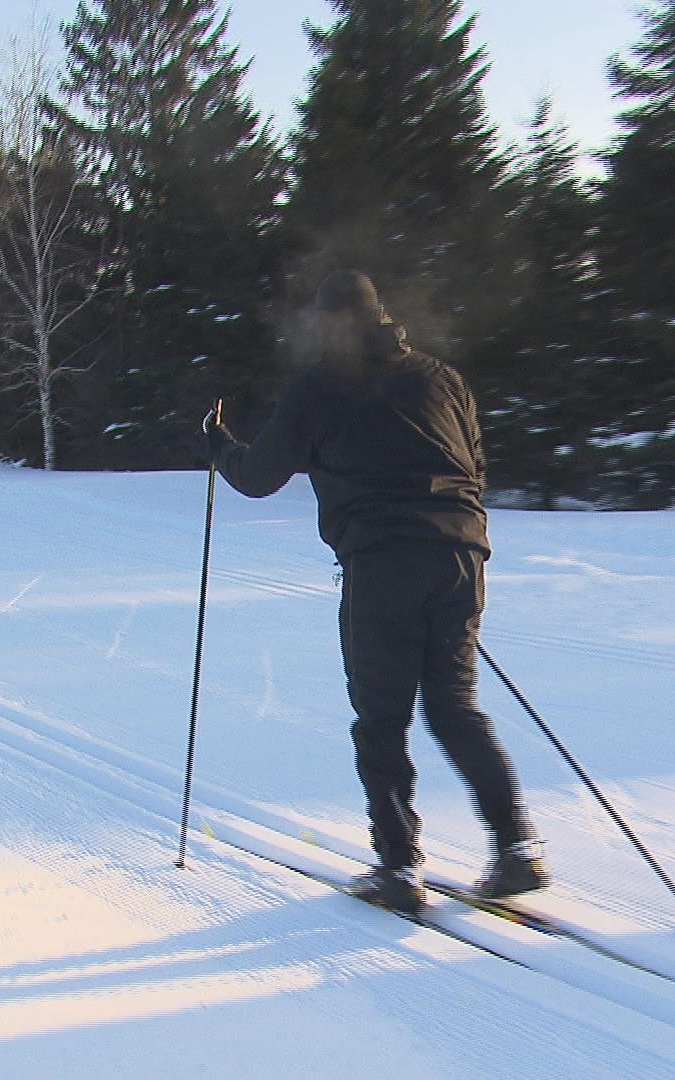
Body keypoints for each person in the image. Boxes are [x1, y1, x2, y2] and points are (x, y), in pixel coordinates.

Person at [204, 269, 548, 916]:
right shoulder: (441, 378)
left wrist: (218, 447)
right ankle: (515, 846)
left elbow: (256, 477)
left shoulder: (318, 389)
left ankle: (397, 867)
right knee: (453, 707)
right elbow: (473, 464)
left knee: (381, 717)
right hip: (459, 556)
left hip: (381, 564)